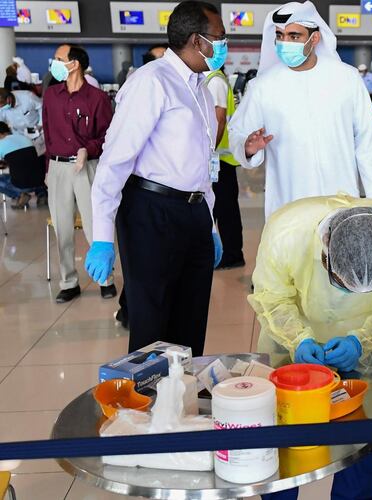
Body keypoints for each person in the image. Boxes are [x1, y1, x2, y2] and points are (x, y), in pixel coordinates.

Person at [251, 194, 372, 500]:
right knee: (284, 429)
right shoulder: (286, 231)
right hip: (292, 341)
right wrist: (298, 339)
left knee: (361, 430)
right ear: (325, 250)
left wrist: (360, 340)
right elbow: (272, 298)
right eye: (340, 283)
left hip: (366, 347)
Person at [85, 0, 226, 355]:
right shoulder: (151, 83)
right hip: (151, 212)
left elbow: (202, 166)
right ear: (197, 41)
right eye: (220, 38)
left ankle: (183, 402)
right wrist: (102, 238)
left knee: (191, 322)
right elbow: (115, 161)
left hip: (193, 212)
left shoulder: (202, 90)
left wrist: (210, 226)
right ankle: (146, 408)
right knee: (152, 326)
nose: (225, 46)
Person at [228, 1, 372, 219]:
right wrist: (248, 147)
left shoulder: (347, 79)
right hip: (288, 206)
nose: (285, 42)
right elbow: (237, 133)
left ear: (314, 38)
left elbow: (368, 145)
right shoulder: (263, 86)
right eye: (280, 35)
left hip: (341, 204)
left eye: (294, 36)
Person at [42, 44, 115, 303]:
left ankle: (105, 279)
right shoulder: (51, 95)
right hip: (59, 167)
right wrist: (48, 169)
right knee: (62, 227)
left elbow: (108, 136)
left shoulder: (97, 98)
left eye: (58, 59)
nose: (53, 63)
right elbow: (48, 133)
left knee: (94, 227)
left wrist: (88, 149)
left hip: (88, 166)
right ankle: (68, 281)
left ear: (74, 64)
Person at [205, 65, 245, 269]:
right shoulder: (210, 79)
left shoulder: (215, 81)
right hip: (218, 157)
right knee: (219, 207)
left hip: (219, 159)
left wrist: (208, 150)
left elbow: (219, 120)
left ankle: (232, 254)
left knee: (225, 208)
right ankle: (227, 252)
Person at [0, 122, 47, 208]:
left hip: (23, 184)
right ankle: (42, 194)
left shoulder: (1, 143)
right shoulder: (24, 138)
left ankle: (19, 194)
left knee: (2, 179)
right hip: (40, 180)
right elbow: (24, 159)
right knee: (30, 169)